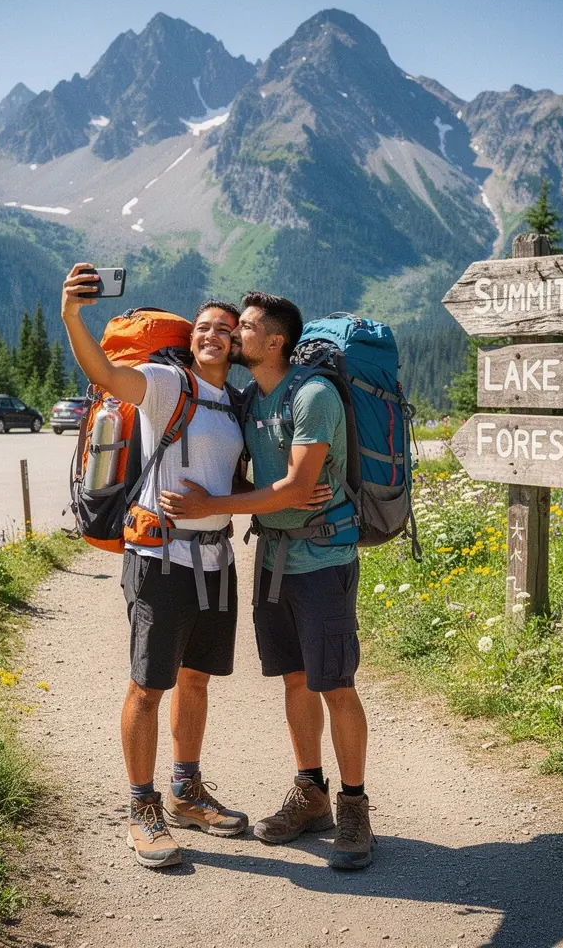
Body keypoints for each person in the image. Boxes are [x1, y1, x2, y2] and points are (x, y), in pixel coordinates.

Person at [61, 266, 330, 870]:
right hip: (158, 556)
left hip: (214, 560)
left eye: (224, 329)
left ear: (236, 345)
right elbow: (103, 374)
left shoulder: (237, 403)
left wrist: (304, 492)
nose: (213, 334)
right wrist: (72, 317)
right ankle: (141, 806)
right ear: (192, 340)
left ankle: (185, 791)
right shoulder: (164, 383)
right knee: (147, 686)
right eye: (204, 327)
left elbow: (263, 469)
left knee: (196, 680)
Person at [160, 291, 374, 870]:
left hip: (324, 560)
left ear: (273, 340)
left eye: (245, 329)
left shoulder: (313, 394)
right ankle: (312, 795)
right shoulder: (250, 397)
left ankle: (355, 809)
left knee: (336, 683)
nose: (234, 337)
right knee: (295, 680)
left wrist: (221, 502)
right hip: (275, 560)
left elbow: (300, 489)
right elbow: (268, 479)